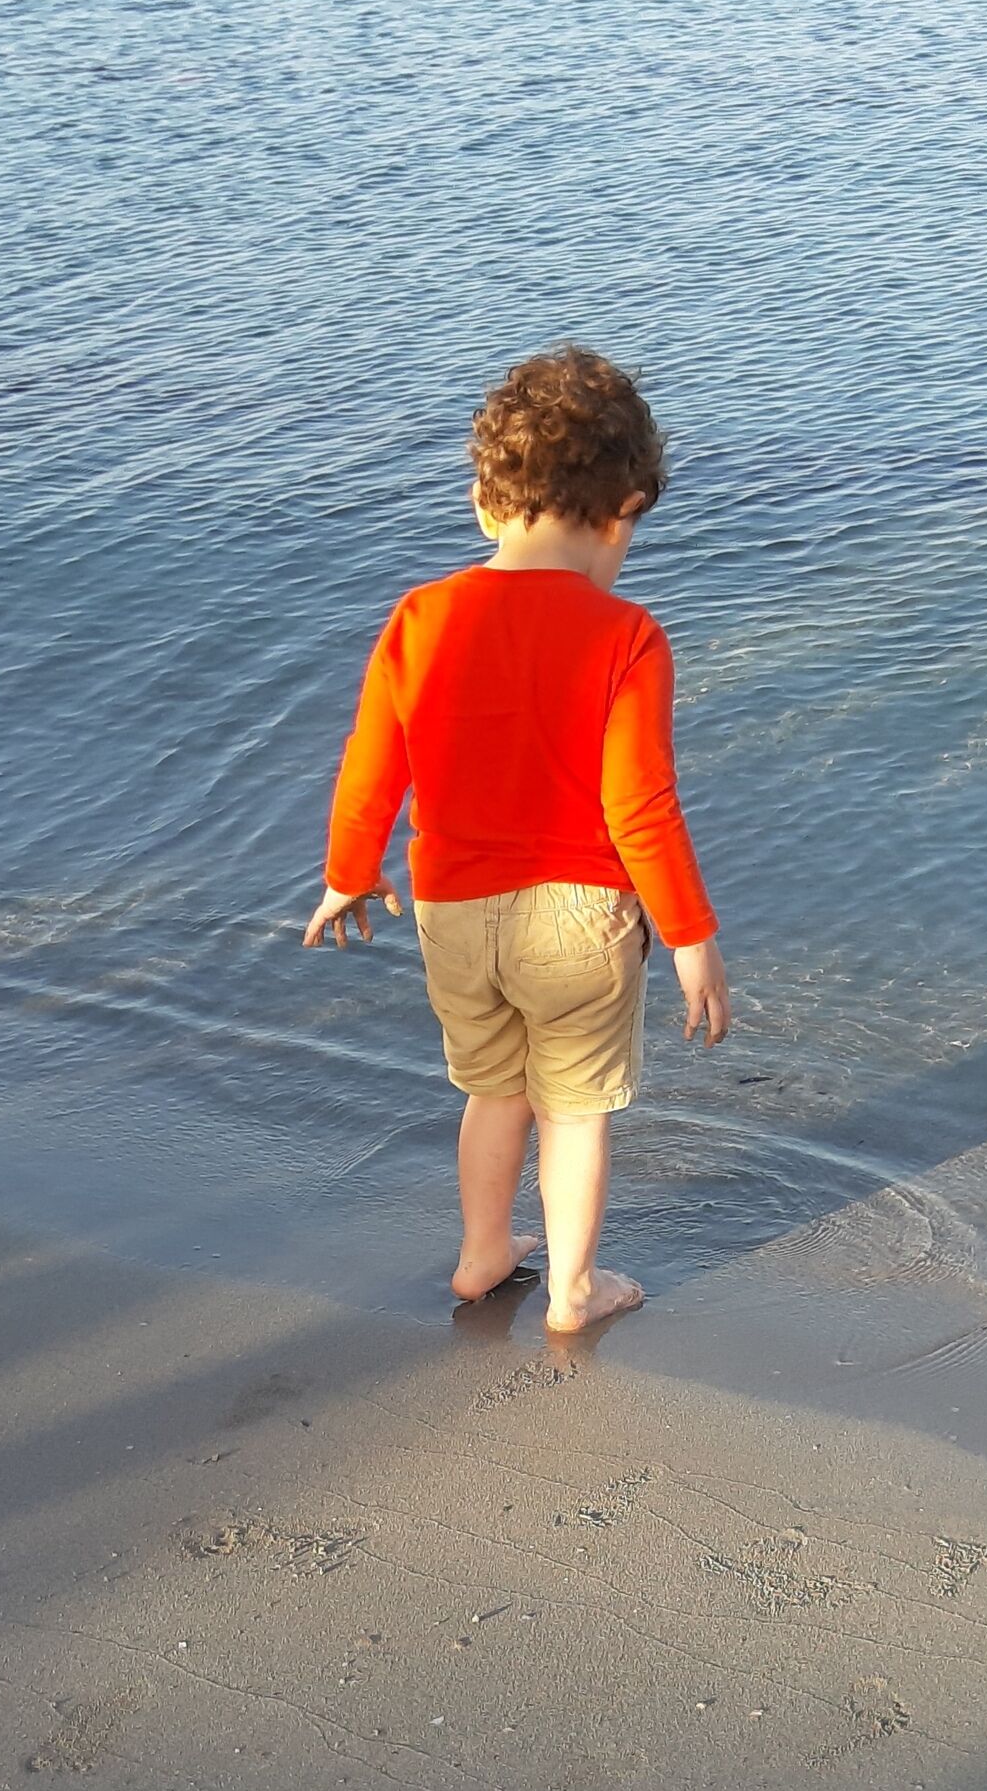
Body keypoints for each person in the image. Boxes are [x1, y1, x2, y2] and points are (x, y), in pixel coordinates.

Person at [304, 346, 730, 1333]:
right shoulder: (626, 635)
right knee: (573, 1107)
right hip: (576, 917)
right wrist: (690, 935)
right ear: (622, 508)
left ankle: (481, 1252)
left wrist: (346, 875)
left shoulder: (420, 617)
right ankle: (574, 1292)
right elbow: (639, 806)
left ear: (482, 501)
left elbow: (373, 762)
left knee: (494, 1089)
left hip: (449, 909)